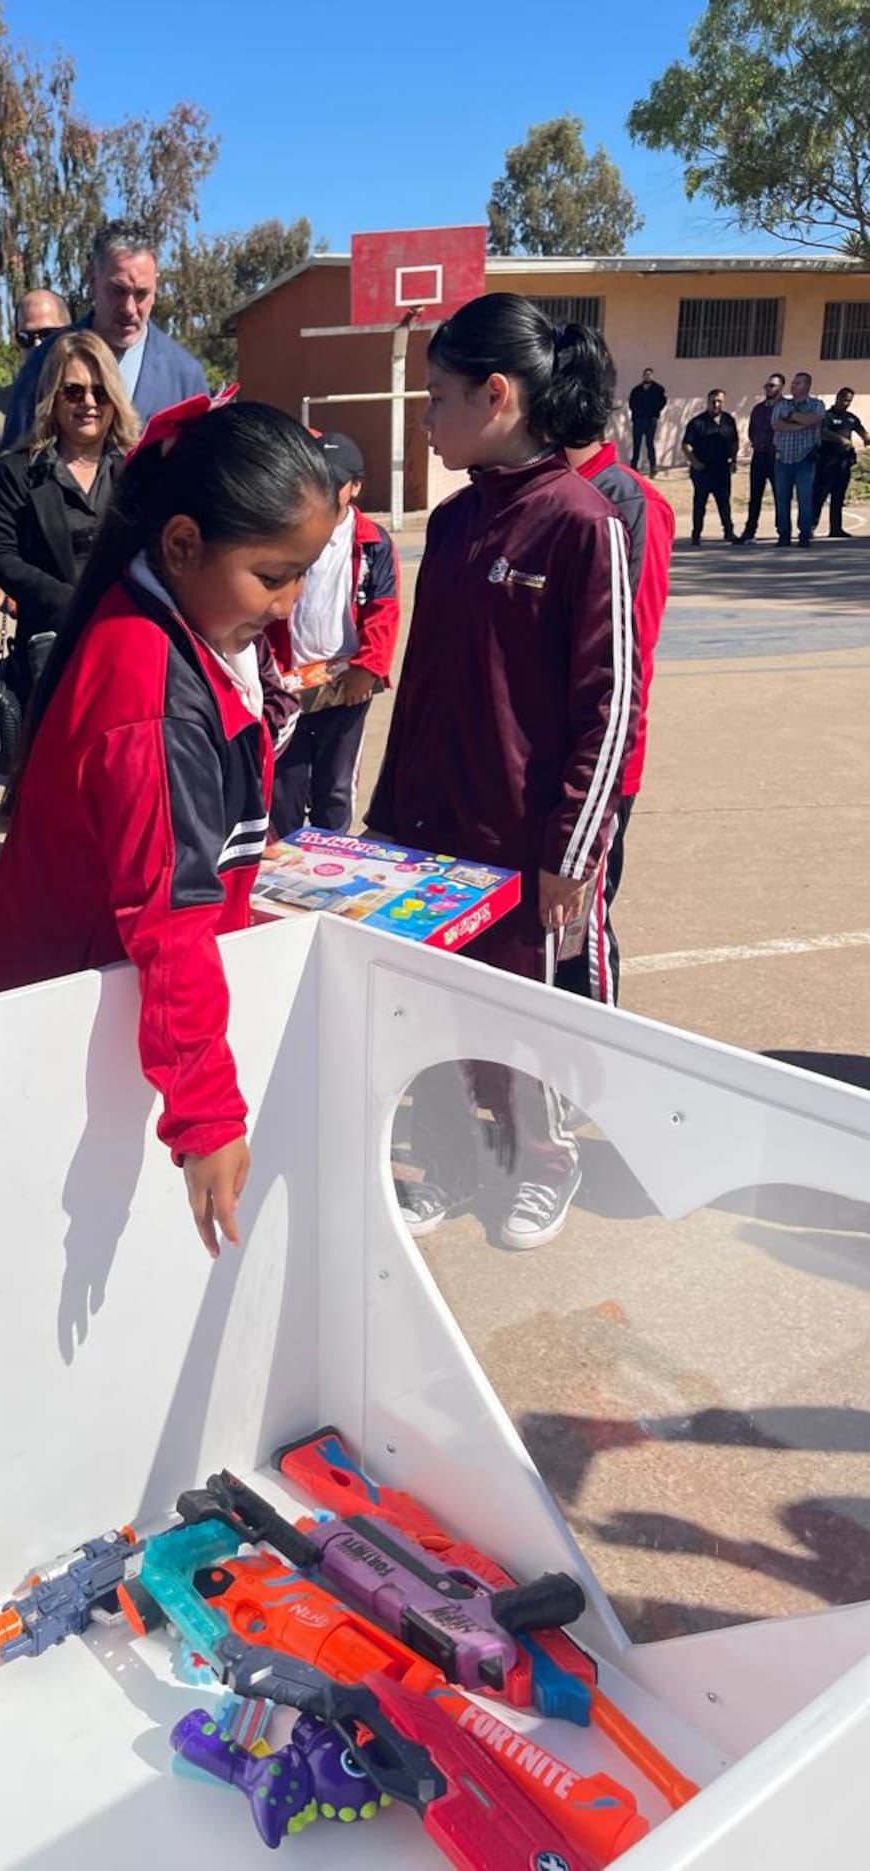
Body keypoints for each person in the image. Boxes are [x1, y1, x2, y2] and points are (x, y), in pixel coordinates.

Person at [0, 396, 337, 1255]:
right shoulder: (150, 695)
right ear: (182, 545)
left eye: (302, 576)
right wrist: (207, 1116)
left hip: (105, 1005)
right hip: (73, 1025)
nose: (288, 604)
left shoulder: (177, 623)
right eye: (273, 575)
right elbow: (168, 919)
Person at [368, 294, 637, 1251]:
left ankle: (545, 1164)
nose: (426, 420)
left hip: (526, 844)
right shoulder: (450, 526)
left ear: (496, 395)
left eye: (437, 398)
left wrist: (572, 848)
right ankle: (451, 1159)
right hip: (431, 831)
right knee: (434, 1013)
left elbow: (609, 705)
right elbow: (420, 686)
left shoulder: (583, 524)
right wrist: (386, 815)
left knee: (528, 1020)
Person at [560, 388, 674, 1008]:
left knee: (577, 932)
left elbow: (628, 647)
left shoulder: (630, 502)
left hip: (596, 763)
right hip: (531, 760)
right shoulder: (541, 494)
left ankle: (590, 1052)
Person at [0, 331, 138, 694]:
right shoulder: (19, 470)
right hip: (51, 654)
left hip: (125, 642)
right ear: (53, 397)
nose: (89, 403)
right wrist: (70, 603)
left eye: (100, 392)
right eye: (73, 392)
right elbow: (0, 555)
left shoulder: (136, 469)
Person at [267, 433, 400, 836]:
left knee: (336, 791)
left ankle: (332, 861)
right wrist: (269, 673)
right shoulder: (284, 532)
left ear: (355, 486)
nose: (323, 491)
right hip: (288, 686)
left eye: (334, 483)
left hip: (346, 686)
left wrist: (369, 667)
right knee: (284, 791)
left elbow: (383, 610)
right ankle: (289, 864)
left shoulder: (373, 543)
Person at [0, 221, 208, 450]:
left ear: (156, 287)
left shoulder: (185, 376)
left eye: (141, 293)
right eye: (117, 290)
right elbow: (13, 462)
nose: (129, 308)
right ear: (91, 281)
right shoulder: (42, 363)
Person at [0, 289, 71, 528]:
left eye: (48, 335)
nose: (37, 345)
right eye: (26, 337)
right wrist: (17, 510)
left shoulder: (96, 397)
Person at [772, 371, 826, 548]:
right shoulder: (782, 404)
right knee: (782, 499)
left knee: (805, 499)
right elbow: (776, 424)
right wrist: (800, 425)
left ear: (807, 386)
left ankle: (804, 534)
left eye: (798, 383)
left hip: (805, 459)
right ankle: (783, 535)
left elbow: (814, 419)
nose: (793, 386)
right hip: (783, 458)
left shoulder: (816, 404)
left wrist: (792, 417)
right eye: (793, 383)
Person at [682, 389, 738, 544]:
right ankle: (696, 534)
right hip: (703, 469)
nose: (716, 404)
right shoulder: (697, 422)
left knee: (724, 502)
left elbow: (734, 442)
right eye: (713, 401)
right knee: (700, 503)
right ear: (707, 402)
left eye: (719, 401)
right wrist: (695, 462)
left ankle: (729, 532)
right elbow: (686, 445)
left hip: (722, 468)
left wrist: (734, 460)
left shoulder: (728, 420)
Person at [813, 387, 867, 539]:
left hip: (843, 463)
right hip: (826, 462)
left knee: (838, 496)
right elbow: (822, 433)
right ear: (838, 398)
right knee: (819, 496)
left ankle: (836, 528)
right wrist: (840, 439)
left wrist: (866, 438)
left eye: (849, 401)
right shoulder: (826, 416)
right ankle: (810, 526)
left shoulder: (851, 418)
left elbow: (861, 431)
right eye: (844, 400)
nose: (846, 403)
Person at [737, 373, 785, 543]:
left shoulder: (786, 407)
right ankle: (750, 531)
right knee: (755, 495)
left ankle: (783, 530)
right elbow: (752, 431)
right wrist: (757, 443)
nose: (768, 389)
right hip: (759, 455)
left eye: (772, 386)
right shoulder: (758, 409)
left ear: (780, 387)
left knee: (780, 495)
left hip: (777, 456)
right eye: (767, 385)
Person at [628, 367, 667, 475]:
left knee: (650, 443)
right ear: (643, 376)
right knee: (636, 444)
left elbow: (663, 402)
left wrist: (655, 411)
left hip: (651, 420)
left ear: (652, 376)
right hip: (638, 420)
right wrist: (636, 412)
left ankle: (653, 467)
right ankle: (634, 467)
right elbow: (631, 403)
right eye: (646, 375)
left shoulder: (658, 389)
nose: (647, 376)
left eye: (649, 375)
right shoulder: (636, 390)